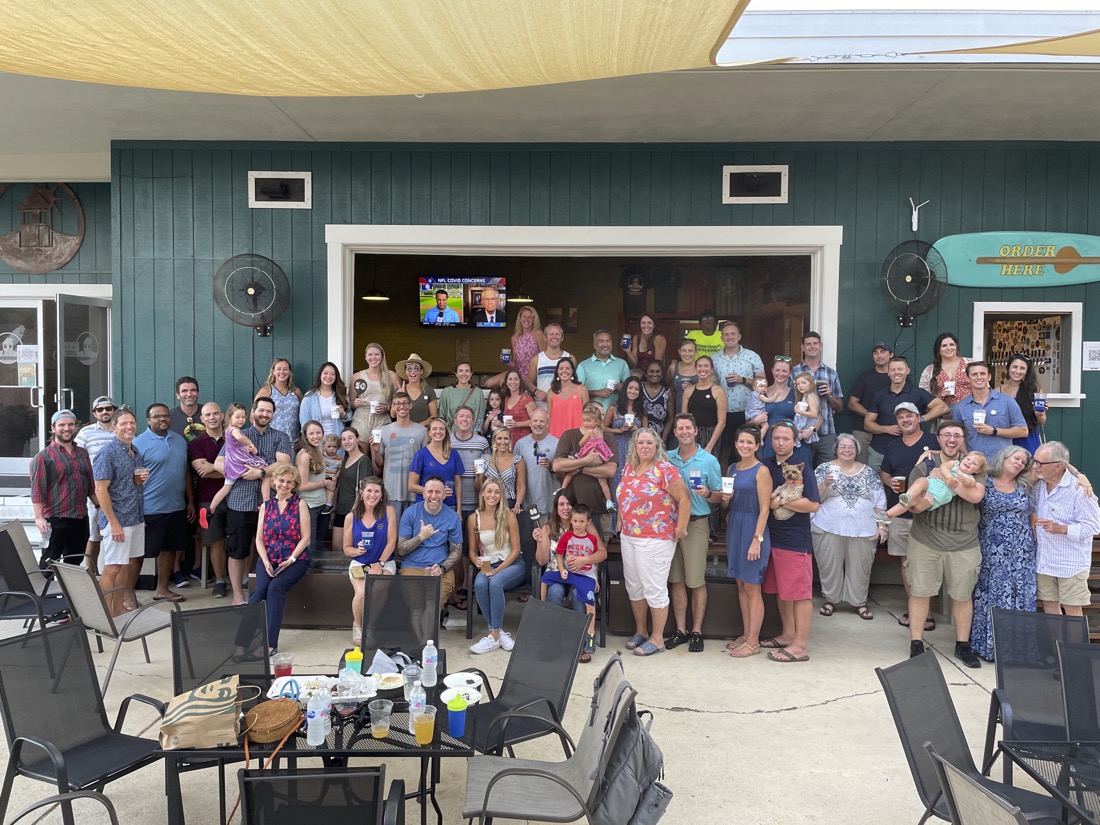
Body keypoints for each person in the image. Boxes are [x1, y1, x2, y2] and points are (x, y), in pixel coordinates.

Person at [905, 421, 986, 667]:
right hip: (926, 540)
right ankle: (916, 643)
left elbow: (975, 495)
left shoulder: (974, 465)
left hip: (964, 542)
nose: (951, 439)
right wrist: (937, 476)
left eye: (957, 435)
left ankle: (962, 646)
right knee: (920, 592)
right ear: (938, 438)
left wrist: (942, 475)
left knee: (962, 595)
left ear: (963, 439)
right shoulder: (923, 465)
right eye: (946, 435)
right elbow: (914, 505)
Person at [617, 428, 691, 657]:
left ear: (657, 446)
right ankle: (641, 630)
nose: (645, 447)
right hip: (629, 536)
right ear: (635, 446)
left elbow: (685, 499)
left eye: (650, 443)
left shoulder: (665, 470)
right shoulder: (629, 467)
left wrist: (680, 529)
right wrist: (621, 519)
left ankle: (657, 638)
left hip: (655, 538)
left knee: (654, 588)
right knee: (635, 587)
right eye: (641, 443)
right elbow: (624, 495)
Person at [217, 396, 292, 606]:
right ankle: (238, 596)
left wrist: (260, 472)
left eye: (269, 411)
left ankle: (262, 594)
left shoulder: (280, 437)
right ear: (253, 411)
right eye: (261, 410)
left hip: (272, 505)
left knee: (268, 550)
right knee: (238, 549)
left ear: (273, 415)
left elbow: (283, 463)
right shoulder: (237, 434)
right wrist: (240, 471)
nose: (264, 414)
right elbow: (218, 463)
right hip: (240, 501)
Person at [759, 422, 821, 663]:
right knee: (782, 592)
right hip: (771, 537)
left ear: (795, 441)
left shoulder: (801, 467)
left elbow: (813, 504)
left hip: (795, 540)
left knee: (800, 594)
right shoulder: (766, 464)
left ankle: (800, 646)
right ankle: (787, 634)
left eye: (786, 438)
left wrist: (781, 502)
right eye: (776, 438)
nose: (780, 442)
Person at [877, 403, 941, 631]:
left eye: (909, 416)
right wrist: (888, 481)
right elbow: (884, 471)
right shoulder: (893, 445)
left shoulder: (935, 440)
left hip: (930, 512)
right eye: (901, 417)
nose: (905, 420)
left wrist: (932, 453)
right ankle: (915, 607)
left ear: (918, 418)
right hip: (900, 511)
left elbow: (957, 454)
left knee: (929, 562)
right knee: (906, 561)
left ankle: (929, 612)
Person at [969, 446, 1037, 661]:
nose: (1019, 463)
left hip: (1021, 552)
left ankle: (1017, 651)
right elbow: (960, 465)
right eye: (1016, 458)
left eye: (1023, 462)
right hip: (991, 548)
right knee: (991, 593)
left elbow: (1057, 463)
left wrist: (1081, 477)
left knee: (1019, 594)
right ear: (1004, 457)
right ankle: (987, 646)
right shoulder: (984, 480)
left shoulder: (1026, 485)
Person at [812, 434, 886, 621]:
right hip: (828, 525)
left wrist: (883, 525)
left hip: (863, 527)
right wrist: (825, 484)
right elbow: (814, 499)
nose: (847, 450)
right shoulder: (824, 469)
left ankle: (859, 602)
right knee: (829, 564)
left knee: (861, 566)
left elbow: (880, 502)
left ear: (857, 451)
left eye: (851, 447)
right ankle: (831, 600)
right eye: (843, 447)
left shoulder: (868, 472)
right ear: (836, 449)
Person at [666, 414, 723, 653]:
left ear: (696, 430)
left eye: (688, 427)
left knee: (696, 580)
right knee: (676, 580)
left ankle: (697, 631)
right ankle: (681, 630)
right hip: (670, 525)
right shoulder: (667, 459)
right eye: (680, 428)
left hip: (697, 524)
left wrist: (708, 493)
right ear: (676, 432)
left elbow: (720, 497)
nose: (684, 431)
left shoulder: (709, 460)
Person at [133, 403, 195, 603]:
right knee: (139, 553)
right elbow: (132, 478)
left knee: (169, 549)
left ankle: (162, 590)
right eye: (157, 416)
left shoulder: (179, 440)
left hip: (176, 506)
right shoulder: (138, 443)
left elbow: (185, 471)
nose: (163, 419)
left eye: (166, 416)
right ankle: (126, 595)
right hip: (150, 508)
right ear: (148, 420)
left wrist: (190, 502)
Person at [721, 425, 773, 658]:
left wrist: (757, 540)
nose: (745, 446)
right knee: (741, 584)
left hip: (753, 528)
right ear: (736, 444)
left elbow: (765, 509)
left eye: (749, 442)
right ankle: (746, 634)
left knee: (753, 586)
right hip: (735, 527)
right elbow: (725, 505)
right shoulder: (732, 468)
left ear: (757, 445)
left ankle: (754, 642)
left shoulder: (761, 471)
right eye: (741, 442)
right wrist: (725, 500)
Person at [1031, 441, 1100, 618]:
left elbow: (1093, 525)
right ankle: (1056, 646)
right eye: (1034, 461)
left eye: (1040, 463)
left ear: (1058, 466)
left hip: (1071, 563)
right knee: (1050, 608)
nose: (1035, 466)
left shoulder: (1079, 489)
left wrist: (1061, 529)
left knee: (1072, 612)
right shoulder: (1039, 485)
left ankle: (1074, 647)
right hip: (1045, 560)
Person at [250, 463, 311, 654]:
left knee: (275, 588)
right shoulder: (266, 506)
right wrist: (265, 560)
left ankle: (270, 643)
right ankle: (241, 640)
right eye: (281, 481)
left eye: (289, 482)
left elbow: (306, 537)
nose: (284, 485)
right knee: (259, 590)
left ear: (294, 485)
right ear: (274, 481)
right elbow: (259, 538)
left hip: (295, 559)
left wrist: (291, 559)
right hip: (269, 558)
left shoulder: (300, 504)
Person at [93, 408, 147, 617]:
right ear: (114, 428)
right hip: (118, 520)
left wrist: (138, 481)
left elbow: (128, 483)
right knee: (113, 567)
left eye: (132, 422)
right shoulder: (108, 453)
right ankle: (104, 614)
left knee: (126, 565)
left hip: (135, 516)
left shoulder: (135, 451)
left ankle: (118, 608)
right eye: (124, 423)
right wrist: (113, 523)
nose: (129, 427)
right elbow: (100, 489)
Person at [30, 409, 96, 569]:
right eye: (62, 425)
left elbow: (90, 485)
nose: (67, 428)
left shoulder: (83, 453)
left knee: (75, 561)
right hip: (56, 519)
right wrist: (39, 518)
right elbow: (38, 490)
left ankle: (67, 594)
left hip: (80, 517)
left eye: (71, 424)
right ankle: (43, 593)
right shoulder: (43, 457)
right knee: (49, 561)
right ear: (53, 428)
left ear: (75, 427)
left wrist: (100, 507)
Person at [468, 479, 524, 653]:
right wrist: (475, 559)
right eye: (489, 491)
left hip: (511, 563)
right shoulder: (473, 518)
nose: (493, 495)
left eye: (497, 492)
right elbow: (471, 550)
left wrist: (498, 570)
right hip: (487, 563)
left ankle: (493, 635)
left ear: (501, 496)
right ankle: (497, 633)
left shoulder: (508, 515)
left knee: (495, 583)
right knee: (480, 583)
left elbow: (516, 550)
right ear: (482, 493)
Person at [864, 356, 948, 472]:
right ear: (888, 372)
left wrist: (921, 419)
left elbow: (942, 407)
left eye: (900, 369)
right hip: (880, 449)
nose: (896, 372)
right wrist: (886, 429)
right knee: (876, 486)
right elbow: (868, 424)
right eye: (893, 370)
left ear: (907, 371)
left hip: (910, 449)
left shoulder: (918, 393)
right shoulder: (879, 395)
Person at [538, 503, 600, 661]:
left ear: (587, 521)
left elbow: (598, 556)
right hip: (562, 572)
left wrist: (595, 577)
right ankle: (551, 633)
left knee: (582, 596)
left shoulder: (590, 535)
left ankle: (584, 640)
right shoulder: (549, 529)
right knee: (553, 590)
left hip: (584, 574)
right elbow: (544, 560)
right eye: (561, 504)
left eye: (568, 504)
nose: (564, 508)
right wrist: (539, 542)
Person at [344, 477, 397, 647]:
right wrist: (356, 550)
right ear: (361, 493)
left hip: (384, 561)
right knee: (361, 593)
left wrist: (379, 564)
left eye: (376, 491)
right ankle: (357, 624)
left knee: (380, 587)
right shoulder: (351, 517)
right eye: (369, 491)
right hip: (360, 562)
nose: (372, 495)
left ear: (382, 495)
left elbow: (392, 542)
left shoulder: (388, 511)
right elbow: (346, 549)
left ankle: (371, 624)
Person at [553, 401, 619, 539]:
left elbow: (610, 470)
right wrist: (586, 461)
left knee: (599, 553)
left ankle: (609, 502)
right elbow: (557, 465)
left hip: (600, 510)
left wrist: (578, 466)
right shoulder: (569, 435)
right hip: (572, 511)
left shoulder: (608, 436)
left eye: (600, 415)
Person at [397, 476, 464, 609]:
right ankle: (423, 630)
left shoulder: (452, 517)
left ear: (444, 495)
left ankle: (425, 628)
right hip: (413, 567)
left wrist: (442, 568)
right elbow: (401, 549)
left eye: (438, 492)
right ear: (423, 494)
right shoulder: (410, 513)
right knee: (416, 605)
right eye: (430, 492)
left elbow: (457, 551)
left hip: (439, 569)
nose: (434, 496)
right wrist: (421, 537)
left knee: (433, 605)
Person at [200, 403, 270, 524]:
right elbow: (239, 438)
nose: (241, 420)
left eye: (243, 417)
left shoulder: (228, 431)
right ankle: (266, 504)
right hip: (239, 464)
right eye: (237, 417)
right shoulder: (234, 430)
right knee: (265, 473)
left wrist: (246, 449)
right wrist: (250, 444)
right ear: (229, 418)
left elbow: (236, 447)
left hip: (231, 465)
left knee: (226, 488)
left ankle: (210, 510)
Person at [188, 402, 230, 597]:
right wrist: (230, 469)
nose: (212, 417)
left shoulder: (234, 440)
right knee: (215, 541)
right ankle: (220, 581)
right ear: (202, 419)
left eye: (215, 414)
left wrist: (213, 467)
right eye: (207, 415)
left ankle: (246, 578)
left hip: (238, 497)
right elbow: (202, 472)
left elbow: (243, 467)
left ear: (222, 416)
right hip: (207, 499)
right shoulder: (195, 444)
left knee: (242, 537)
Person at [450, 406, 489, 611]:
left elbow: (485, 475)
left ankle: (467, 586)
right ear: (455, 420)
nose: (465, 419)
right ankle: (454, 589)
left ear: (473, 421)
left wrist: (479, 477)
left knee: (471, 547)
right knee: (455, 547)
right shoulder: (447, 440)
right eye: (461, 416)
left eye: (468, 416)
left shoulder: (482, 442)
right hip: (451, 503)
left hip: (475, 502)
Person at [515, 408, 559, 587]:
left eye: (542, 421)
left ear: (547, 422)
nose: (538, 424)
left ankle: (548, 585)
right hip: (528, 505)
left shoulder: (557, 443)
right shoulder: (520, 444)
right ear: (530, 422)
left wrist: (551, 466)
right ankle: (531, 586)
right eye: (535, 421)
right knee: (529, 547)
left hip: (550, 504)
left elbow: (564, 473)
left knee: (549, 546)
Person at [711, 321, 765, 463]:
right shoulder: (714, 359)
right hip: (723, 412)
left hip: (746, 412)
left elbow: (763, 383)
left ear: (739, 336)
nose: (730, 337)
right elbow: (711, 383)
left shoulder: (752, 356)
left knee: (745, 450)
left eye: (733, 334)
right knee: (723, 450)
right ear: (722, 338)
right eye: (726, 334)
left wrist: (743, 380)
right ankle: (723, 482)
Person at [877, 451, 987, 520]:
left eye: (974, 464)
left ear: (977, 470)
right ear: (963, 458)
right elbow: (944, 466)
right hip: (931, 483)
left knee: (916, 502)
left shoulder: (970, 477)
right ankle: (889, 514)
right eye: (968, 459)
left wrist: (964, 481)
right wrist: (949, 477)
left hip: (939, 495)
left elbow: (970, 484)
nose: (969, 462)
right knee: (920, 482)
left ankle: (894, 510)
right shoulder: (955, 463)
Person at [951, 361, 1027, 460]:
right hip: (975, 465)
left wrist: (994, 431)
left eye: (982, 374)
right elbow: (956, 436)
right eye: (974, 374)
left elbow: (1023, 431)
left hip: (1002, 463)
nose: (979, 377)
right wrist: (967, 455)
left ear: (989, 377)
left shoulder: (1007, 401)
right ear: (968, 378)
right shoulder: (960, 407)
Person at [75, 395, 117, 571]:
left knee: (115, 534)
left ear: (113, 410)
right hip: (96, 493)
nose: (104, 412)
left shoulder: (121, 429)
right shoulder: (86, 432)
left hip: (119, 491)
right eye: (100, 409)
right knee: (95, 535)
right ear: (94, 413)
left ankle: (111, 575)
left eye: (108, 408)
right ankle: (91, 575)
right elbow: (76, 458)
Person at [791, 331, 844, 468]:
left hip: (826, 434)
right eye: (808, 344)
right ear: (802, 347)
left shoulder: (831, 373)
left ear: (820, 346)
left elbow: (839, 407)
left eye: (815, 343)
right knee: (800, 472)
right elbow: (789, 400)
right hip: (802, 433)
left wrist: (829, 395)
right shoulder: (794, 372)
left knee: (827, 475)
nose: (812, 346)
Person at [746, 356, 811, 465]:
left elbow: (817, 416)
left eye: (784, 371)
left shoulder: (797, 393)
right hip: (767, 441)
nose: (780, 374)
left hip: (791, 442)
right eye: (777, 370)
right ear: (772, 371)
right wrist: (756, 421)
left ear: (790, 372)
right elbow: (748, 421)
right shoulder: (759, 394)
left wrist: (812, 429)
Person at [374, 390, 427, 522]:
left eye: (404, 403)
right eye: (397, 403)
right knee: (392, 534)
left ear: (410, 405)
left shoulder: (422, 431)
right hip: (391, 491)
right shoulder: (384, 430)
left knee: (414, 534)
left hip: (415, 493)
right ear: (393, 406)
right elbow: (380, 464)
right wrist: (375, 451)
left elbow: (426, 461)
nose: (401, 406)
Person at [559, 402, 614, 512]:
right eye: (584, 420)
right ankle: (609, 501)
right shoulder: (600, 431)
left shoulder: (589, 431)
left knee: (571, 471)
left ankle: (561, 490)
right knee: (603, 483)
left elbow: (581, 444)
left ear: (596, 421)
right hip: (599, 458)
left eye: (588, 421)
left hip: (588, 456)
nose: (585, 423)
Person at [847, 341, 894, 465]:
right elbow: (852, 403)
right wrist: (871, 415)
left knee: (888, 464)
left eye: (883, 352)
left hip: (890, 429)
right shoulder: (865, 377)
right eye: (875, 352)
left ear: (891, 355)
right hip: (863, 430)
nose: (879, 355)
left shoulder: (897, 377)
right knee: (860, 465)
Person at [349, 343, 400, 455]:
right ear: (365, 357)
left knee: (379, 459)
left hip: (382, 421)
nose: (373, 357)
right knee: (360, 456)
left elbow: (399, 404)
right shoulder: (357, 376)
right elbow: (350, 403)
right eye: (370, 354)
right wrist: (355, 403)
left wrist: (387, 407)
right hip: (361, 420)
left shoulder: (392, 376)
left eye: (376, 354)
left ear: (382, 356)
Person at [605, 376, 646, 510]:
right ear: (625, 389)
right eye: (630, 388)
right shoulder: (614, 408)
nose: (633, 391)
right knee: (617, 485)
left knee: (635, 486)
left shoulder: (642, 411)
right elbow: (602, 428)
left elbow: (647, 433)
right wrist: (618, 430)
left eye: (636, 389)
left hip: (636, 452)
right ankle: (615, 526)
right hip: (617, 449)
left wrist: (638, 430)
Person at [409, 417, 465, 511]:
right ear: (429, 433)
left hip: (449, 507)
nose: (438, 431)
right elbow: (411, 486)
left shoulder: (453, 454)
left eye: (441, 429)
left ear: (446, 432)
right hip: (426, 507)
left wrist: (459, 510)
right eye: (434, 429)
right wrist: (436, 492)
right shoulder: (421, 455)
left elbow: (458, 484)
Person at [997, 353, 1047, 454]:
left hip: (1028, 438)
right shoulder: (997, 391)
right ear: (1008, 368)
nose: (1017, 371)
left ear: (1027, 372)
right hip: (1005, 438)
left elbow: (1042, 422)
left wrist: (1039, 414)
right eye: (1015, 367)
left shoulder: (1034, 390)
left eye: (1022, 368)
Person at [331, 427, 370, 552]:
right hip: (341, 509)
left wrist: (355, 509)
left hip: (354, 509)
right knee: (336, 546)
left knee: (352, 546)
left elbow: (364, 488)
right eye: (343, 439)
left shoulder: (364, 461)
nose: (346, 441)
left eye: (350, 438)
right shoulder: (345, 459)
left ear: (358, 439)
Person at [918, 332, 972, 418]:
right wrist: (939, 396)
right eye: (944, 346)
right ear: (938, 349)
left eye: (951, 344)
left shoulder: (970, 364)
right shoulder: (930, 370)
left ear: (957, 347)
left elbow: (983, 386)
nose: (948, 348)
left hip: (969, 411)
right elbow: (923, 397)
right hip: (943, 414)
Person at [294, 420, 330, 547]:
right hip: (309, 505)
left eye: (318, 432)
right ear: (306, 436)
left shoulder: (318, 451)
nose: (316, 436)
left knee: (319, 545)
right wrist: (325, 483)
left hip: (320, 504)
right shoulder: (304, 455)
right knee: (310, 546)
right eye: (312, 433)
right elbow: (302, 486)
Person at [576, 329, 631, 413]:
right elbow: (576, 392)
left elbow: (630, 387)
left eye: (608, 341)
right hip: (592, 415)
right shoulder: (583, 366)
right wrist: (596, 392)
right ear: (594, 345)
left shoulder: (622, 364)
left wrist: (622, 386)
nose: (605, 344)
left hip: (615, 414)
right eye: (601, 341)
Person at [681, 356, 726, 455]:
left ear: (711, 370)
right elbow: (683, 419)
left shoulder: (718, 391)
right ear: (696, 368)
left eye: (706, 366)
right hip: (691, 434)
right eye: (700, 366)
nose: (703, 369)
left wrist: (709, 446)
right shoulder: (688, 390)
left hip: (711, 435)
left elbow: (722, 422)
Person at [480, 427, 527, 517]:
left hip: (508, 503)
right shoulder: (485, 459)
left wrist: (518, 504)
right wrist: (479, 474)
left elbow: (521, 485)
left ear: (510, 440)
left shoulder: (517, 460)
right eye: (499, 438)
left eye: (506, 438)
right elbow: (480, 486)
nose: (502, 442)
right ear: (494, 440)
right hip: (490, 502)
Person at [255, 357, 303, 444]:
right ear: (273, 371)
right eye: (278, 369)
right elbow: (254, 414)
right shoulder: (266, 391)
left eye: (285, 369)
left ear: (289, 372)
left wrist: (302, 437)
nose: (282, 372)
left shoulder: (296, 392)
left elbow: (304, 415)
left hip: (293, 441)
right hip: (271, 441)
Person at [526, 321, 571, 408]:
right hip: (542, 407)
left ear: (562, 338)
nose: (554, 336)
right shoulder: (536, 359)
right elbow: (528, 382)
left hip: (563, 406)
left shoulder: (570, 358)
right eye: (551, 334)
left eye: (557, 334)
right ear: (545, 337)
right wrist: (536, 391)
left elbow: (574, 383)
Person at [299, 361, 350, 437]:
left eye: (332, 374)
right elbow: (304, 422)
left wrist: (343, 414)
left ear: (336, 377)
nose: (329, 376)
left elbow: (349, 416)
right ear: (320, 375)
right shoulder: (309, 397)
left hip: (336, 440)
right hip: (316, 440)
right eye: (325, 373)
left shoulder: (341, 394)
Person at [546, 356, 589, 438]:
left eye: (567, 368)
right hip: (555, 436)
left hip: (578, 436)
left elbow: (588, 415)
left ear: (572, 371)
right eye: (561, 368)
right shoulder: (551, 392)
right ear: (557, 372)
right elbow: (549, 417)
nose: (564, 370)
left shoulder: (582, 390)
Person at [438, 361, 486, 427]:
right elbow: (441, 415)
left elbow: (481, 416)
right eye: (460, 371)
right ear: (456, 374)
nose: (464, 374)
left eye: (467, 371)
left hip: (472, 434)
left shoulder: (478, 392)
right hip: (451, 433)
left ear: (471, 374)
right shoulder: (447, 392)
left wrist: (475, 434)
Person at [395, 353, 438, 426]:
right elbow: (393, 415)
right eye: (409, 368)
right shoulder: (400, 390)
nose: (412, 372)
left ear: (421, 371)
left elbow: (433, 417)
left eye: (416, 368)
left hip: (423, 433)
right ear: (406, 371)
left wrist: (418, 427)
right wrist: (398, 398)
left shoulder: (429, 391)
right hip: (404, 431)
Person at [640, 360, 673, 445]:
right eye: (651, 371)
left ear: (662, 375)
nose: (654, 374)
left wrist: (662, 439)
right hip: (638, 437)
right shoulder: (638, 388)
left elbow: (670, 418)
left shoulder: (667, 392)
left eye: (658, 371)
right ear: (646, 374)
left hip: (659, 438)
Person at [501, 368, 535, 442]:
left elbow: (535, 421)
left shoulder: (526, 398)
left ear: (520, 382)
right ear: (506, 382)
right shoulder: (506, 399)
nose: (513, 382)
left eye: (516, 379)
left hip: (524, 439)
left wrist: (517, 424)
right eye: (510, 379)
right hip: (508, 439)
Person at [667, 338, 698, 417]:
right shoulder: (673, 368)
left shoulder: (700, 368)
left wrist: (693, 388)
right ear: (679, 351)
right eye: (684, 350)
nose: (687, 354)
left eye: (690, 351)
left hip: (697, 411)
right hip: (677, 410)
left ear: (695, 352)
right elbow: (669, 386)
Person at [168, 376, 204, 442]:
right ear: (178, 395)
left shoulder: (209, 414)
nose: (189, 394)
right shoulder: (168, 416)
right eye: (184, 391)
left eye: (193, 390)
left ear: (198, 394)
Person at [791, 372, 820, 452]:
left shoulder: (810, 397)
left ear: (811, 384)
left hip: (806, 425)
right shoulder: (804, 396)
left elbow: (814, 414)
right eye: (798, 384)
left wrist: (799, 411)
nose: (800, 386)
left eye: (803, 383)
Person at [319, 434, 342, 514]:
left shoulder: (339, 458)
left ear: (338, 448)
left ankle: (329, 504)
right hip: (322, 476)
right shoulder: (321, 456)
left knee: (331, 487)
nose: (331, 449)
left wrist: (336, 476)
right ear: (324, 446)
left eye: (334, 447)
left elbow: (339, 469)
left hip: (332, 477)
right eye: (329, 446)